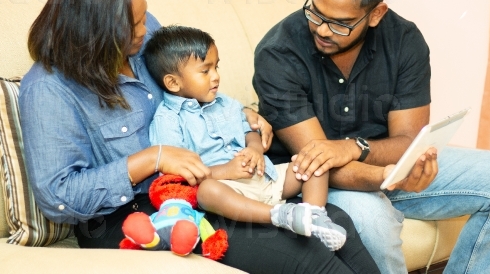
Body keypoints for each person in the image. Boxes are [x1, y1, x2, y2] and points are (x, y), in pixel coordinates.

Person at [19, 0, 381, 273]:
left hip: (202, 184)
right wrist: (151, 159)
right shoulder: (50, 88)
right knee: (302, 254)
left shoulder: (143, 38)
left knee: (337, 223)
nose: (147, 31)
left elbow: (189, 86)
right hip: (133, 216)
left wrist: (243, 117)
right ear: (96, 34)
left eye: (145, 18)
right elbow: (58, 197)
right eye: (134, 26)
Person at [252, 0, 490, 274]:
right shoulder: (278, 53)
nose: (322, 30)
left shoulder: (404, 40)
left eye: (340, 23)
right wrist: (386, 175)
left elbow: (408, 141)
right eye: (316, 13)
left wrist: (355, 148)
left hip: (386, 163)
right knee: (374, 221)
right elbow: (317, 162)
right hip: (321, 181)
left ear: (376, 13)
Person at [145, 25, 346, 251]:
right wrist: (225, 171)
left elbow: (249, 130)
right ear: (173, 82)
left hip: (265, 177)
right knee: (207, 192)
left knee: (315, 161)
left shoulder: (226, 103)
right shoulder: (168, 120)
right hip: (228, 188)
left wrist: (255, 149)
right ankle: (280, 215)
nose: (216, 77)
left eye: (216, 67)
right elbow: (175, 174)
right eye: (205, 71)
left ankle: (313, 215)